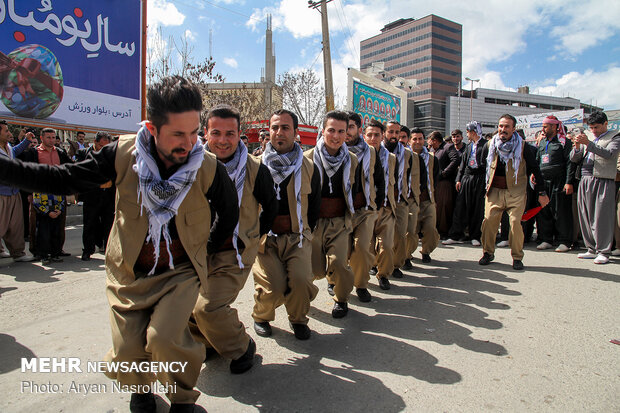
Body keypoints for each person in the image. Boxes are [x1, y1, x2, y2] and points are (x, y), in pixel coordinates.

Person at [0, 75, 239, 412]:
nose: (189, 144)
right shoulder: (122, 154)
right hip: (129, 272)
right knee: (128, 350)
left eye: (192, 132)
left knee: (165, 339)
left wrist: (207, 253)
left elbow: (229, 213)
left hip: (179, 272)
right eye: (177, 135)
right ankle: (141, 390)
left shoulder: (207, 167)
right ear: (153, 128)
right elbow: (64, 179)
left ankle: (183, 397)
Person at [190, 104, 277, 373]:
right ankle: (207, 342)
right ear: (205, 133)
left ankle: (241, 346)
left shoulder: (255, 169)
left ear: (241, 135)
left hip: (234, 252)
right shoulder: (190, 165)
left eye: (231, 133)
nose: (223, 140)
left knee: (208, 307)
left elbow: (271, 208)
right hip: (196, 250)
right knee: (184, 307)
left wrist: (251, 237)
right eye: (216, 132)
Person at [252, 109, 321, 339]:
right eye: (274, 127)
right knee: (273, 289)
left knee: (301, 281)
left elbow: (314, 204)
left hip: (297, 237)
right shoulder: (255, 166)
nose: (279, 133)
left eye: (285, 128)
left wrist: (305, 230)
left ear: (296, 132)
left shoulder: (308, 166)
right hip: (266, 240)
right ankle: (261, 316)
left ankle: (298, 319)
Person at [307, 111, 360, 318]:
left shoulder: (352, 159)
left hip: (339, 222)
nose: (336, 136)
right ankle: (302, 296)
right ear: (323, 131)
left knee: (339, 263)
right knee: (314, 270)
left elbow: (354, 190)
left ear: (347, 133)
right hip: (315, 223)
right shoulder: (307, 159)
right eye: (331, 130)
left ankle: (341, 299)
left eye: (341, 131)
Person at [479, 114, 549, 270]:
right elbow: (483, 167)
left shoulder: (524, 147)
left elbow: (535, 170)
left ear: (513, 129)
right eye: (501, 126)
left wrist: (542, 193)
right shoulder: (490, 145)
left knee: (515, 224)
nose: (503, 130)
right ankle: (487, 253)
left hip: (516, 192)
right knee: (489, 222)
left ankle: (517, 257)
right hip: (494, 191)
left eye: (507, 127)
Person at [344, 111, 384, 302]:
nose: (346, 132)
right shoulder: (331, 151)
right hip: (339, 211)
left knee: (361, 248)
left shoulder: (370, 152)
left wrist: (377, 205)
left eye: (351, 127)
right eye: (344, 127)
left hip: (365, 209)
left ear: (359, 129)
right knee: (340, 252)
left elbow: (379, 180)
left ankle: (360, 284)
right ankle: (335, 282)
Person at [570, 111, 620, 264]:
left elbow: (609, 154)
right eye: (591, 128)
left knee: (602, 216)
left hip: (603, 179)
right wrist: (578, 147)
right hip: (585, 179)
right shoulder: (588, 138)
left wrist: (588, 144)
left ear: (606, 124)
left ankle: (604, 251)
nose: (594, 131)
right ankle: (591, 248)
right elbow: (574, 158)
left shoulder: (615, 136)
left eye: (597, 127)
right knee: (585, 215)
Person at [19, 128, 72, 258]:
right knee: (37, 223)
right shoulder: (33, 153)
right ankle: (37, 251)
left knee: (59, 222)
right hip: (39, 194)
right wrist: (29, 193)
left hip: (57, 193)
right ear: (41, 138)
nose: (51, 140)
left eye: (53, 137)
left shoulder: (60, 152)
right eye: (48, 137)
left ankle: (57, 249)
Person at [534, 116, 576, 252]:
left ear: (554, 127)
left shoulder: (564, 142)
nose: (543, 129)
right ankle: (546, 239)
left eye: (545, 127)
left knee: (561, 211)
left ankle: (564, 241)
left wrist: (569, 182)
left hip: (559, 181)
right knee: (544, 210)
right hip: (543, 181)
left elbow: (570, 163)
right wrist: (533, 174)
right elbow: (537, 160)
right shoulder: (542, 142)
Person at [444, 121, 488, 246]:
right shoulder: (468, 147)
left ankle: (475, 236)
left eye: (468, 132)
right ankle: (455, 234)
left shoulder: (485, 145)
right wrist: (458, 179)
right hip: (466, 178)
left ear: (473, 132)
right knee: (460, 207)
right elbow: (462, 165)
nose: (467, 135)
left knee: (477, 208)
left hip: (480, 178)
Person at [365, 120, 396, 290]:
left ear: (382, 136)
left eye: (377, 135)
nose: (373, 138)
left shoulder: (391, 158)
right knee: (366, 247)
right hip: (367, 210)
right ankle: (363, 277)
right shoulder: (358, 156)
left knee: (387, 245)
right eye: (369, 135)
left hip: (386, 207)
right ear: (364, 136)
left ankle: (383, 275)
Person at [75, 132, 115, 261]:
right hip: (92, 195)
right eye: (101, 145)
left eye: (106, 146)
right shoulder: (83, 154)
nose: (103, 149)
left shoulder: (113, 154)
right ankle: (87, 250)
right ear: (95, 142)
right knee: (90, 223)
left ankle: (108, 249)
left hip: (109, 194)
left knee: (109, 223)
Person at [0, 120, 36, 262]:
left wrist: (26, 141)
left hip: (14, 193)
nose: (9, 133)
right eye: (6, 131)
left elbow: (15, 152)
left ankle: (18, 253)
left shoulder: (8, 148)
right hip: (1, 194)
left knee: (15, 226)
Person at [384, 121, 412, 279]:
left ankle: (395, 265)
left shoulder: (407, 154)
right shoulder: (376, 151)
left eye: (397, 132)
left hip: (400, 198)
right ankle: (379, 266)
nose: (394, 136)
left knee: (401, 235)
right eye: (391, 132)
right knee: (382, 238)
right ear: (385, 133)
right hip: (382, 200)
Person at [408, 128, 440, 263]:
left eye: (420, 138)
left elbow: (436, 177)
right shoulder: (405, 157)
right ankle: (406, 255)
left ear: (425, 140)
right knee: (410, 232)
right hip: (410, 201)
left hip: (428, 200)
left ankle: (426, 251)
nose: (417, 142)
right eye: (414, 139)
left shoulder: (432, 158)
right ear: (409, 141)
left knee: (431, 229)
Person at [428, 131, 461, 239]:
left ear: (435, 140)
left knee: (444, 208)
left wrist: (444, 173)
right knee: (436, 207)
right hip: (435, 183)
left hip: (445, 183)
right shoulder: (433, 150)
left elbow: (455, 160)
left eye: (430, 141)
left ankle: (444, 231)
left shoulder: (447, 147)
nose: (429, 144)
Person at [399, 125, 423, 271]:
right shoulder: (385, 154)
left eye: (403, 137)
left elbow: (422, 178)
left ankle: (407, 255)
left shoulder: (413, 157)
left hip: (411, 198)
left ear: (408, 140)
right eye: (398, 136)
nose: (400, 140)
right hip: (393, 200)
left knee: (411, 231)